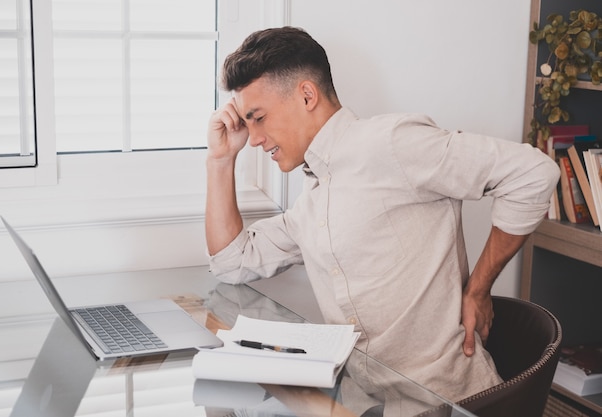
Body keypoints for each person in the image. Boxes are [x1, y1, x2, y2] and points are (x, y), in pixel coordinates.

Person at [204, 26, 560, 402]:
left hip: (450, 403)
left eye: (258, 117)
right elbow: (231, 262)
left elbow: (534, 174)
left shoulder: (391, 143)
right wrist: (221, 159)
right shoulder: (312, 201)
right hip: (372, 405)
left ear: (307, 95)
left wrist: (479, 287)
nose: (255, 138)